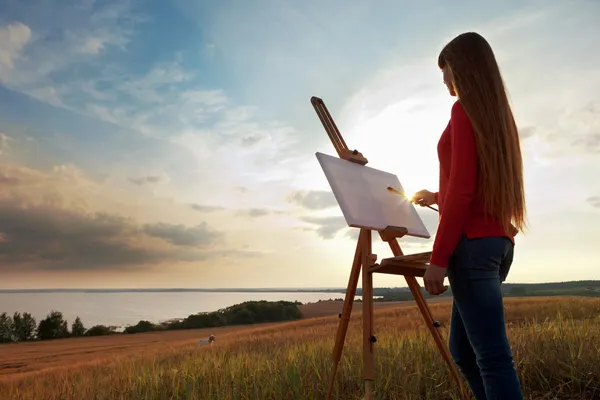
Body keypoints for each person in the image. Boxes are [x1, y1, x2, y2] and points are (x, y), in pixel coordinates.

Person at [410, 32, 526, 400]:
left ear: (463, 70)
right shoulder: (496, 116)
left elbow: (463, 190)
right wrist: (436, 195)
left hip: (472, 248)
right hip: (497, 244)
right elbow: (473, 187)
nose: (447, 86)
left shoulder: (464, 109)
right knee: (464, 352)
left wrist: (438, 258)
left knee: (492, 358)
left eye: (448, 76)